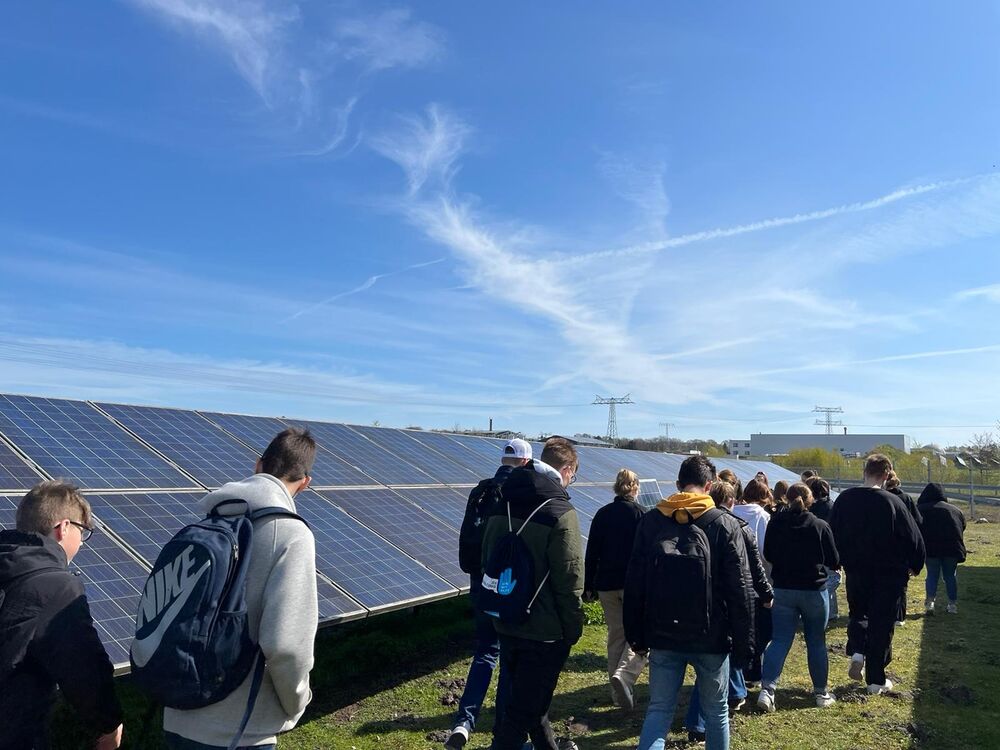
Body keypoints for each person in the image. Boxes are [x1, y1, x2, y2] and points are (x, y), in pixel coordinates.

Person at [163, 428, 319, 749]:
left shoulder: (208, 520)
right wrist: (297, 702)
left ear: (257, 465)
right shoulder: (291, 534)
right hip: (237, 732)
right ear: (305, 483)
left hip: (178, 710)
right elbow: (287, 646)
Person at [624, 455, 753, 750]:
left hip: (662, 633)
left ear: (678, 484)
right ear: (710, 486)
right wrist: (745, 643)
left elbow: (634, 582)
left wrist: (635, 634)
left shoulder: (652, 521)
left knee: (659, 710)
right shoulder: (724, 524)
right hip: (712, 636)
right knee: (716, 712)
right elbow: (741, 589)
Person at [0, 481, 124, 750]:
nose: (82, 542)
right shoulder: (56, 586)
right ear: (63, 527)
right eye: (83, 531)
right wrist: (109, 723)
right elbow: (84, 668)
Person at [481, 437, 584, 750]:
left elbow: (487, 557)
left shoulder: (503, 501)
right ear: (567, 470)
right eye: (574, 475)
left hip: (506, 616)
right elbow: (569, 578)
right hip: (545, 631)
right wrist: (572, 627)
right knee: (522, 712)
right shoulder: (560, 512)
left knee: (531, 702)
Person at [447, 439, 532, 749]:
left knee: (484, 652)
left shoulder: (480, 490)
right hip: (506, 584)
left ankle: (464, 722)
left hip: (479, 580)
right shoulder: (519, 493)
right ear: (525, 462)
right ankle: (502, 730)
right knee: (508, 655)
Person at [828, 454, 925, 694]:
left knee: (858, 612)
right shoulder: (893, 502)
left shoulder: (844, 499)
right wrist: (915, 564)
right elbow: (913, 536)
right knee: (882, 623)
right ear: (886, 475)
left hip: (856, 569)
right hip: (888, 573)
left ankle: (857, 650)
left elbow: (831, 533)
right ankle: (875, 679)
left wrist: (836, 560)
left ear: (865, 471)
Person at [685, 479, 772, 743]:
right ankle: (700, 723)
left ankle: (733, 694)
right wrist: (766, 594)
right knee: (715, 666)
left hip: (699, 604)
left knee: (715, 667)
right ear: (732, 500)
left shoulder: (696, 523)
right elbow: (754, 568)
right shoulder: (738, 527)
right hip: (729, 604)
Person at [757, 483, 840, 712]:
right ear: (810, 500)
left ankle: (767, 690)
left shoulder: (775, 523)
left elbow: (768, 554)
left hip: (783, 589)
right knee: (816, 641)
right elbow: (833, 560)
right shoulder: (819, 525)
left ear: (786, 498)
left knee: (780, 640)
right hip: (814, 590)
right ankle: (821, 692)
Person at [583, 468, 647, 711]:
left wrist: (588, 585)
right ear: (635, 488)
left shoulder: (603, 514)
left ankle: (616, 693)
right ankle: (625, 676)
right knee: (639, 633)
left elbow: (592, 552)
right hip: (633, 585)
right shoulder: (642, 514)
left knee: (616, 635)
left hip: (606, 585)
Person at [731, 479, 771, 684]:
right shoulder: (762, 516)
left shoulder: (731, 513)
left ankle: (738, 673)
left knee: (738, 628)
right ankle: (753, 673)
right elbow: (764, 550)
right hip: (757, 580)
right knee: (760, 630)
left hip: (734, 579)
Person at [916, 483, 966, 615]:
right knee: (950, 575)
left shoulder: (921, 509)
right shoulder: (955, 510)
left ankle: (930, 603)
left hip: (931, 548)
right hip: (952, 548)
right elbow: (962, 526)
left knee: (932, 575)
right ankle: (952, 604)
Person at [885, 470, 922, 626]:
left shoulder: (880, 498)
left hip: (883, 545)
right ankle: (899, 616)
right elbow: (917, 521)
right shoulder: (905, 498)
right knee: (901, 583)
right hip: (902, 545)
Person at [806, 478, 841, 623]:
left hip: (814, 550)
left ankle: (829, 611)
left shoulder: (810, 509)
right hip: (829, 548)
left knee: (827, 579)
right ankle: (831, 612)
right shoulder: (832, 506)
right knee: (832, 578)